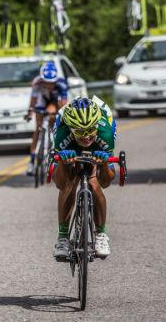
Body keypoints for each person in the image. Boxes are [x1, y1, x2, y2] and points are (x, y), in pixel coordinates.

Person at [52, 96, 117, 260]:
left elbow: (106, 182)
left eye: (90, 131)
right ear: (71, 129)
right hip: (69, 143)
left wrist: (102, 164)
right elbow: (60, 183)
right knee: (69, 184)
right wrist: (63, 163)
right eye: (81, 132)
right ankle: (63, 237)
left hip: (100, 141)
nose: (87, 136)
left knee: (95, 185)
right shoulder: (62, 132)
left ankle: (101, 235)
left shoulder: (105, 133)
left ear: (96, 125)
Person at [25, 61, 68, 176]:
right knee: (38, 127)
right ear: (42, 79)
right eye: (46, 82)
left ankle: (52, 145)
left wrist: (60, 115)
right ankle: (31, 161)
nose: (49, 85)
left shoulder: (61, 83)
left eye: (52, 83)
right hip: (42, 100)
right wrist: (30, 112)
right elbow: (33, 101)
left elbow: (63, 105)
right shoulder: (37, 83)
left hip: (55, 101)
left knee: (53, 115)